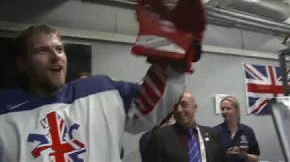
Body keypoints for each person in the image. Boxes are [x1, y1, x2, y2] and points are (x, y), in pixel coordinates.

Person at [0, 25, 186, 161]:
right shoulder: (5, 112)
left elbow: (151, 108)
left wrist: (172, 61)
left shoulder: (99, 90)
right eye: (42, 51)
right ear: (23, 64)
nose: (56, 56)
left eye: (59, 49)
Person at [144, 91, 228, 162]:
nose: (179, 110)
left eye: (184, 105)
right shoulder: (160, 136)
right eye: (175, 106)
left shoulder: (211, 133)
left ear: (195, 108)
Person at [212, 96, 260, 162]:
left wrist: (245, 156)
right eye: (222, 109)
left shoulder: (247, 131)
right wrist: (226, 154)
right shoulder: (215, 131)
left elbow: (256, 158)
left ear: (237, 110)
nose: (225, 111)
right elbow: (211, 157)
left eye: (228, 108)